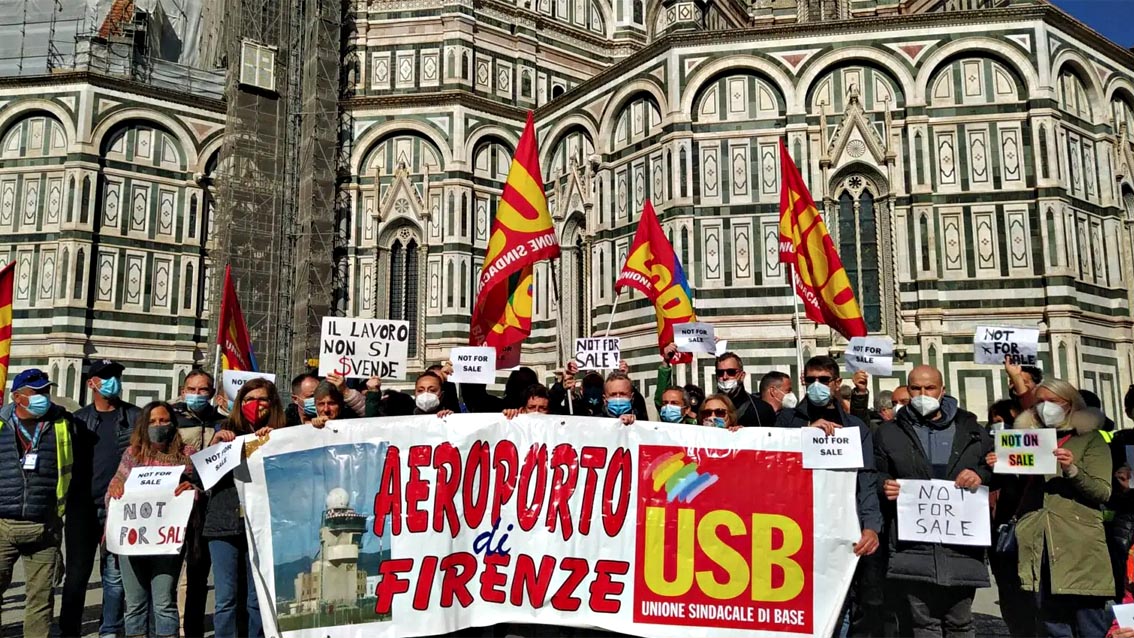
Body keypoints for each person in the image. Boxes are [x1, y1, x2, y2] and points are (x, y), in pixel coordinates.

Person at [876, 364, 993, 638]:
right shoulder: (889, 432)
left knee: (960, 622)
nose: (922, 394)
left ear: (942, 390)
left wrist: (981, 474)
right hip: (913, 546)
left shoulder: (971, 430)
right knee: (922, 624)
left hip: (962, 545)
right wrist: (884, 485)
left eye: (929, 388)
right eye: (915, 388)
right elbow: (875, 472)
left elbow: (994, 468)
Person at [774, 356, 882, 636]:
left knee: (839, 605)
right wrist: (801, 436)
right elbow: (771, 462)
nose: (817, 385)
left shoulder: (856, 428)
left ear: (836, 383)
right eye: (811, 380)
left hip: (839, 529)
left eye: (823, 380)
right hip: (795, 530)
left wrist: (871, 526)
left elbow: (866, 478)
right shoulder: (785, 421)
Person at [1006, 378, 1112, 637]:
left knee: (1089, 625)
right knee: (1052, 626)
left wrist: (1072, 470)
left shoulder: (1090, 439)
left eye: (1053, 401)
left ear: (1070, 404)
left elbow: (1102, 491)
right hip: (1039, 545)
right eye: (1040, 402)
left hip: (1079, 548)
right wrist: (998, 464)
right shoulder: (1028, 440)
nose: (1046, 407)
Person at [63, 358, 140, 638]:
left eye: (116, 376)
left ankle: (110, 630)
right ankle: (68, 630)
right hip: (82, 507)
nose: (112, 382)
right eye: (105, 377)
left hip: (119, 508)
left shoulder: (136, 417)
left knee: (114, 577)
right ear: (91, 383)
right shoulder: (78, 420)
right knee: (76, 575)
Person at [107, 401, 198, 638]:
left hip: (167, 544)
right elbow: (114, 489)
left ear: (173, 423)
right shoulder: (132, 454)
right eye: (153, 421)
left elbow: (200, 489)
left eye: (164, 420)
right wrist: (115, 488)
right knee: (134, 604)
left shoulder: (187, 454)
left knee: (164, 602)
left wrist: (192, 490)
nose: (158, 425)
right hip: (133, 542)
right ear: (143, 425)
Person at [204, 378, 286, 638]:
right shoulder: (224, 429)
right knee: (225, 599)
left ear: (272, 403)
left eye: (262, 399)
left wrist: (273, 441)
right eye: (249, 399)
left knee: (257, 597)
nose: (255, 404)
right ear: (240, 403)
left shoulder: (283, 433)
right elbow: (201, 476)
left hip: (263, 524)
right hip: (224, 524)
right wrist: (215, 445)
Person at [0, 369, 75, 638]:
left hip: (45, 526)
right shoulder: (1, 424)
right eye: (36, 392)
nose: (43, 397)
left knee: (41, 600)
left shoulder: (63, 423)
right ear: (17, 397)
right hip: (2, 526)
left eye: (46, 391)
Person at [170, 370, 223, 638]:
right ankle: (166, 628)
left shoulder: (221, 421)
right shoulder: (170, 418)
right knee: (167, 574)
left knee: (198, 573)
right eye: (192, 389)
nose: (197, 394)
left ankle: (192, 630)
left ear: (212, 393)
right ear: (183, 390)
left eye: (203, 390)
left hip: (206, 505)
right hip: (175, 503)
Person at [714, 352, 775, 427]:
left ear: (742, 376)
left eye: (731, 372)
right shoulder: (707, 409)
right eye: (720, 373)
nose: (725, 377)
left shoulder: (761, 409)